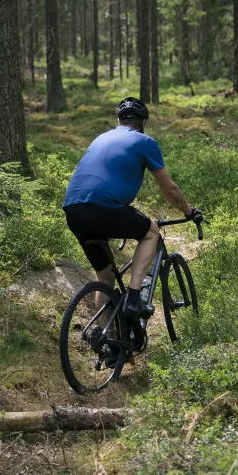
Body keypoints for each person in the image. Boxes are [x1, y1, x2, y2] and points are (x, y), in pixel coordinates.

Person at [63, 97, 202, 319]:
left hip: (73, 210)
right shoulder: (144, 141)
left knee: (105, 279)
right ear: (142, 122)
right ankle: (134, 298)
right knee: (151, 233)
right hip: (103, 208)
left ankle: (107, 343)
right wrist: (188, 211)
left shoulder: (100, 138)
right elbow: (170, 191)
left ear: (119, 120)